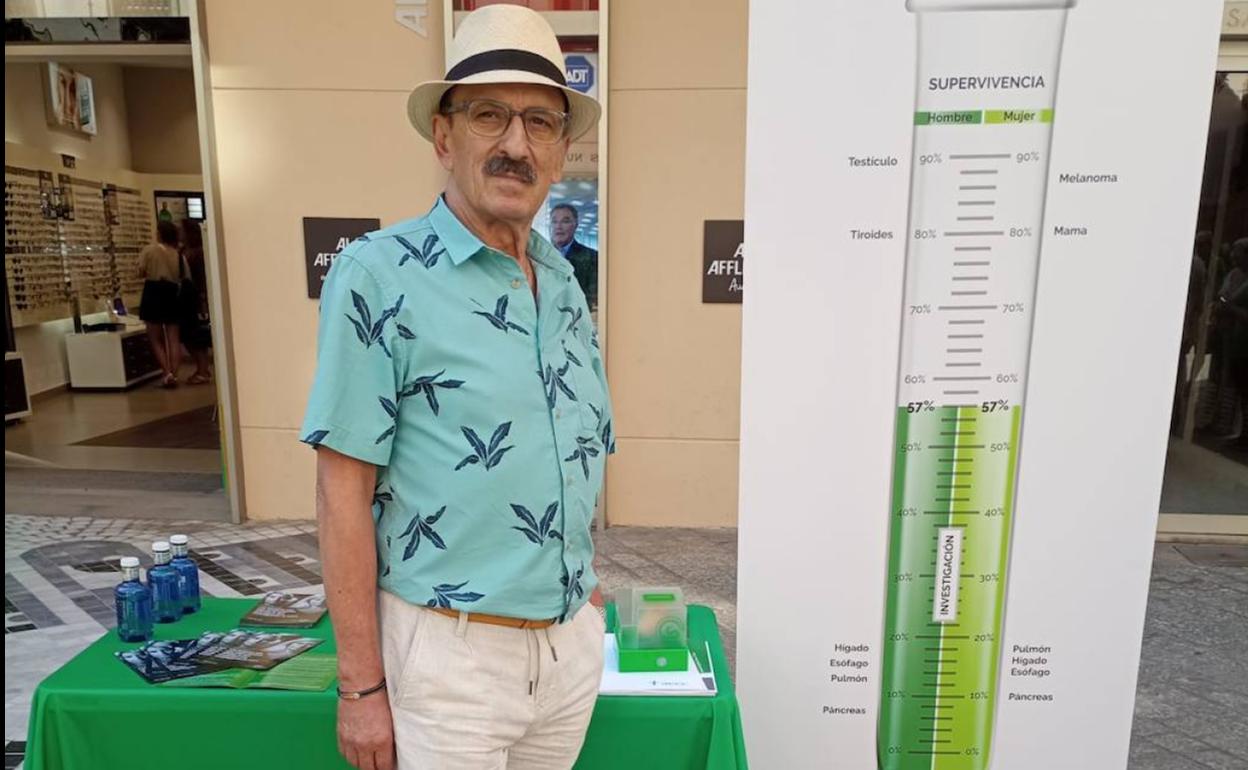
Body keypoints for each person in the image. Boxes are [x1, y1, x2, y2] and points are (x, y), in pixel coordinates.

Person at [299, 6, 613, 770]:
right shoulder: (378, 275)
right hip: (450, 661)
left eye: (540, 122)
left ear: (561, 149)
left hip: (568, 652)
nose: (516, 144)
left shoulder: (565, 281)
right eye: (488, 116)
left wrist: (575, 597)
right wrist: (360, 688)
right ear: (444, 138)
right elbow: (343, 488)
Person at [138, 220, 185, 388]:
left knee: (155, 337)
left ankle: (167, 373)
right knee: (173, 337)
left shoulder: (149, 250)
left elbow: (141, 271)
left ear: (159, 233)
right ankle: (175, 372)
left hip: (153, 292)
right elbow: (184, 276)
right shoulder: (178, 254)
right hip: (173, 293)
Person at [179, 219, 212, 384]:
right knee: (195, 336)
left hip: (193, 299)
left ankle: (202, 369)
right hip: (192, 298)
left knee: (194, 336)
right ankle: (203, 368)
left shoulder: (194, 254)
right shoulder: (190, 251)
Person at [549, 203, 598, 308]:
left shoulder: (593, 258)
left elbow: (592, 298)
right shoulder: (537, 256)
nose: (558, 226)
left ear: (576, 225)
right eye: (554, 221)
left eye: (565, 221)